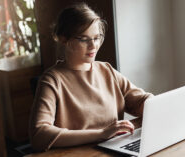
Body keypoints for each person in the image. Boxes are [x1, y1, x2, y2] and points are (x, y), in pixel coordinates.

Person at [29, 3, 153, 151]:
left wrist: (158, 103)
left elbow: (141, 101)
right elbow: (39, 134)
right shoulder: (52, 80)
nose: (93, 46)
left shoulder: (107, 70)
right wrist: (101, 134)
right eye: (84, 39)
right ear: (63, 39)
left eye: (96, 37)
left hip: (113, 150)